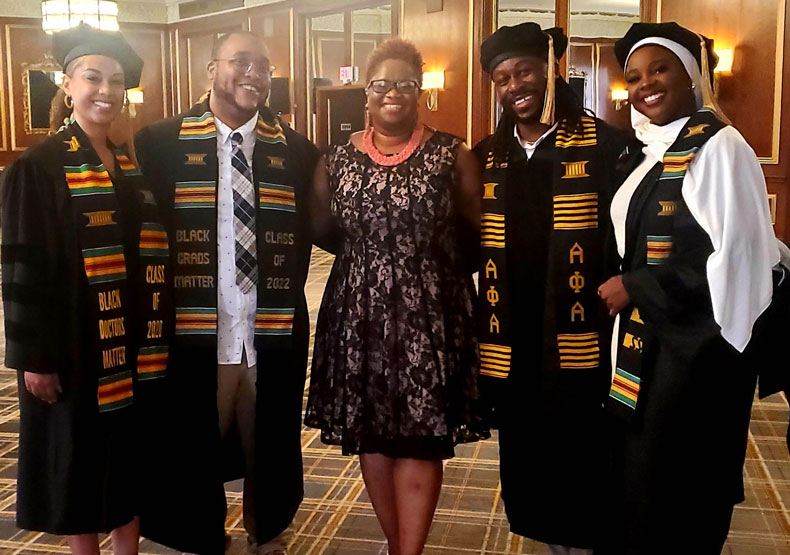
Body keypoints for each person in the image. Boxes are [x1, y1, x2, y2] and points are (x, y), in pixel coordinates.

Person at [597, 22, 780, 554]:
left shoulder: (719, 146)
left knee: (679, 486)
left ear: (691, 75)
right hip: (651, 347)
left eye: (660, 69)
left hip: (696, 355)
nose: (646, 84)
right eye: (633, 77)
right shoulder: (653, 149)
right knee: (644, 482)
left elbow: (742, 256)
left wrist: (637, 287)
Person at [134, 31, 318, 555]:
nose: (254, 73)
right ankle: (201, 537)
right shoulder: (159, 144)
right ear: (211, 70)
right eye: (241, 61)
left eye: (263, 65)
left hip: (268, 329)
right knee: (191, 442)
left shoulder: (299, 154)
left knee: (270, 442)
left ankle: (268, 534)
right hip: (194, 330)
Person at [304, 38, 489, 555]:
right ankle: (395, 543)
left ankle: (410, 550)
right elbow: (322, 228)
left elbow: (479, 233)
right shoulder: (335, 160)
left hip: (432, 313)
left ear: (419, 92)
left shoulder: (454, 154)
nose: (391, 93)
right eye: (380, 84)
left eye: (404, 84)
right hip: (357, 314)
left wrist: (427, 272)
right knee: (373, 436)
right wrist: (372, 265)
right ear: (366, 93)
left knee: (421, 435)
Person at [2, 23, 172, 555]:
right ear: (67, 84)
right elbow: (22, 270)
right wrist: (35, 356)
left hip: (129, 346)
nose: (106, 90)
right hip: (73, 344)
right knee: (78, 459)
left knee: (127, 455)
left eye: (116, 81)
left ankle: (128, 550)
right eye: (92, 77)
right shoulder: (39, 166)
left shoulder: (127, 165)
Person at [472, 23, 629, 555]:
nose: (514, 85)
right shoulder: (489, 154)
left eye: (523, 72)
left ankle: (584, 532)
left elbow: (627, 234)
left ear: (548, 70)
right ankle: (540, 528)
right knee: (523, 429)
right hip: (511, 317)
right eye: (501, 78)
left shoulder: (606, 144)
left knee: (579, 428)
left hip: (580, 317)